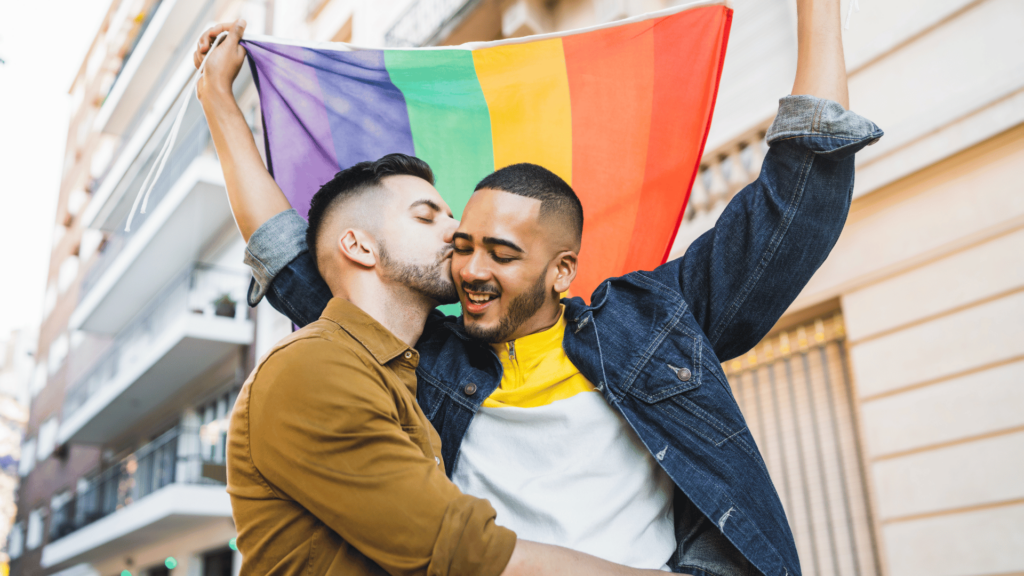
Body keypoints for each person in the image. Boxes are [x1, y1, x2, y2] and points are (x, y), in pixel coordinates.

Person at [196, 0, 882, 574]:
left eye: (499, 253)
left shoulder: (650, 321)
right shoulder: (416, 359)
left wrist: (818, 10)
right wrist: (220, 102)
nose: (470, 269)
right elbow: (291, 254)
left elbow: (792, 207)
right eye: (461, 244)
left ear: (561, 270)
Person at [225, 153, 673, 576]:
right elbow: (459, 551)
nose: (457, 231)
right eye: (426, 216)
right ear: (359, 246)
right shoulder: (313, 367)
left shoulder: (401, 375)